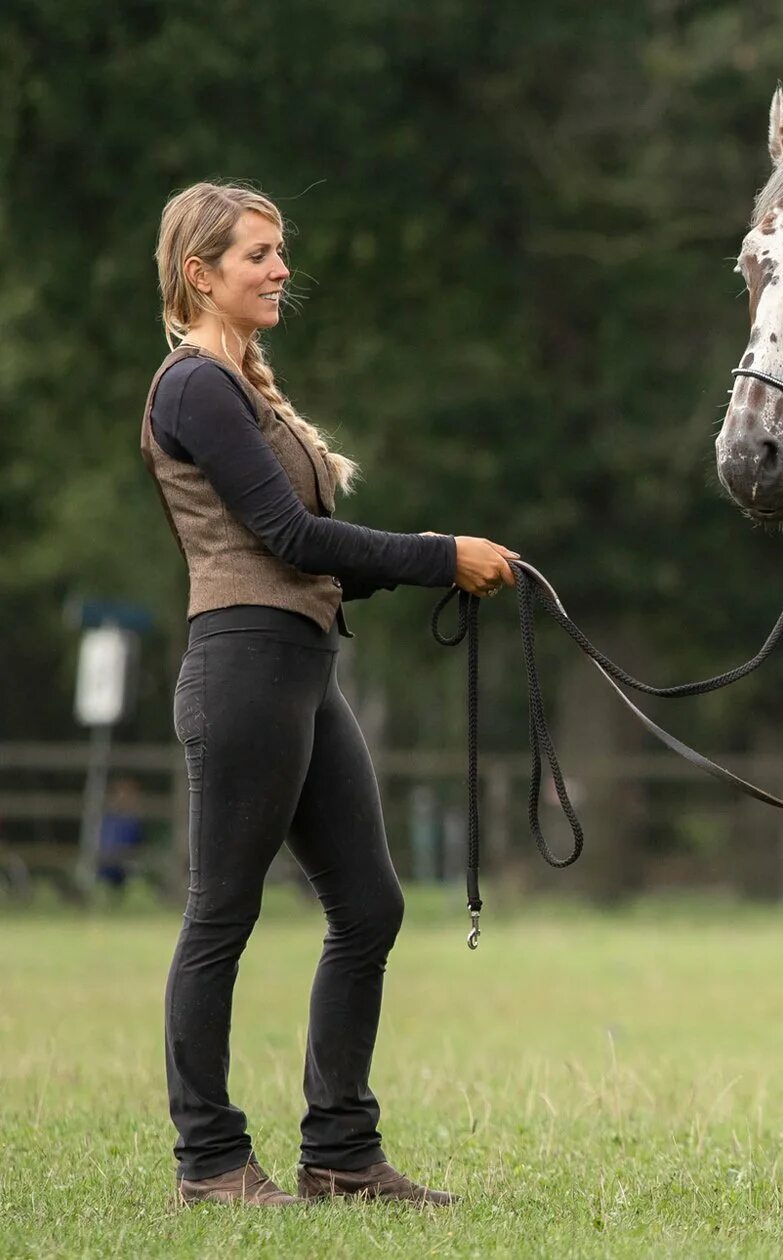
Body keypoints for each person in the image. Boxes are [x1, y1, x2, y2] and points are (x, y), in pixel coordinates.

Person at [145, 181, 517, 1207]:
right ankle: (210, 1163)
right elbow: (288, 539)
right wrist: (441, 555)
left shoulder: (246, 391)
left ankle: (342, 1154)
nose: (278, 270)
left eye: (278, 252)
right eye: (256, 255)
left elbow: (310, 559)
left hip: (298, 668)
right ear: (200, 274)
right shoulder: (194, 388)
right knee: (220, 915)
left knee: (369, 905)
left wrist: (453, 568)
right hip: (245, 671)